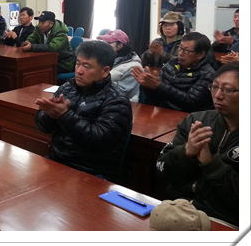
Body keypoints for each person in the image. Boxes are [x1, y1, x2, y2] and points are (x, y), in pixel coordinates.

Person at [34, 40, 132, 182]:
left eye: (87, 66)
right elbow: (43, 127)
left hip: (92, 173)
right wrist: (50, 115)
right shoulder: (67, 88)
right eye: (78, 63)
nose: (79, 70)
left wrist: (64, 116)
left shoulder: (117, 101)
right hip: (58, 163)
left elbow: (99, 141)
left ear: (105, 71)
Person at [156, 62, 239, 226]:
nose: (217, 95)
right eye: (214, 87)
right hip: (179, 208)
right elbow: (162, 169)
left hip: (225, 219)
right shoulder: (196, 121)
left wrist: (211, 164)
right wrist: (185, 153)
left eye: (228, 90)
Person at [133, 32, 215, 113]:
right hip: (164, 114)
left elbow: (191, 102)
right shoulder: (171, 64)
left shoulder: (207, 74)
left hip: (189, 118)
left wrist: (160, 86)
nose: (180, 53)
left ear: (200, 55)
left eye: (186, 51)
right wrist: (148, 86)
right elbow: (156, 98)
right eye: (180, 48)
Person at [97, 29, 143, 102]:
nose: (103, 46)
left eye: (108, 43)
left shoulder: (133, 67)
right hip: (100, 100)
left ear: (120, 46)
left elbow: (123, 93)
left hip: (121, 104)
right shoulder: (105, 59)